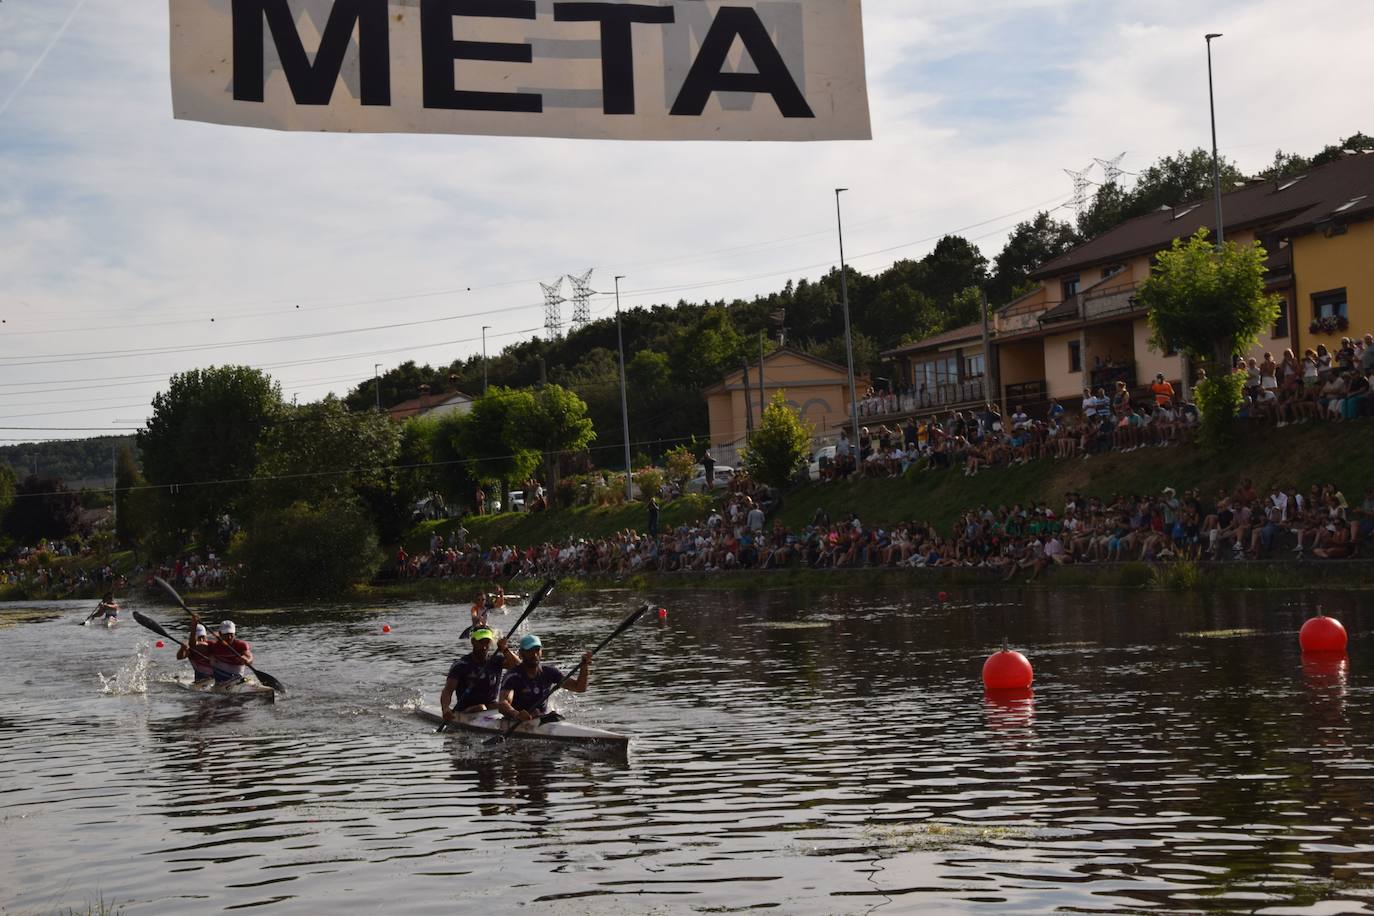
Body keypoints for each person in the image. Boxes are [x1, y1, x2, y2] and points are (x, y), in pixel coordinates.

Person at [497, 634, 590, 722]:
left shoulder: (549, 672)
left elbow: (579, 688)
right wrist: (516, 714)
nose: (534, 654)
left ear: (542, 652)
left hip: (540, 719)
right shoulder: (513, 676)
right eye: (529, 651)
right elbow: (502, 703)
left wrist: (584, 667)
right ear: (521, 654)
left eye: (537, 650)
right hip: (517, 721)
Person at [440, 627, 518, 718]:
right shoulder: (461, 665)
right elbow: (448, 690)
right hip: (466, 709)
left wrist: (505, 649)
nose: (484, 647)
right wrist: (445, 709)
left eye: (487, 642)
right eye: (481, 642)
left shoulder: (496, 661)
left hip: (490, 706)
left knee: (506, 706)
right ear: (473, 642)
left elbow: (518, 666)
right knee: (481, 707)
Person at [207, 621, 254, 685]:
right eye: (226, 634)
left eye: (231, 634)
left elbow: (249, 656)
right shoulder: (214, 646)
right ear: (220, 634)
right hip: (220, 678)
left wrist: (247, 660)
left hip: (237, 677)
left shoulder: (241, 645)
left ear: (234, 633)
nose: (229, 637)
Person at [177, 615, 215, 683]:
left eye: (203, 637)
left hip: (215, 678)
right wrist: (182, 648)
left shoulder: (210, 645)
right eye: (199, 638)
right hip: (199, 680)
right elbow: (179, 657)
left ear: (206, 637)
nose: (201, 640)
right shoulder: (190, 649)